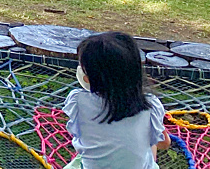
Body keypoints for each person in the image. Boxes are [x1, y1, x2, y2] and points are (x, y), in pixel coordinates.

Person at [63, 32, 171, 169]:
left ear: (89, 78)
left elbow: (81, 136)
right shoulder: (150, 104)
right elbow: (165, 143)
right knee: (150, 145)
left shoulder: (78, 101)